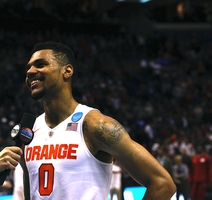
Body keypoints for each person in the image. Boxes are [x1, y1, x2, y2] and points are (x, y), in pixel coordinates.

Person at [21, 41, 176, 200]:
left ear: (67, 71)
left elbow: (163, 183)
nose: (30, 71)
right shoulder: (28, 132)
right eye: (28, 67)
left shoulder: (96, 125)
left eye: (40, 65)